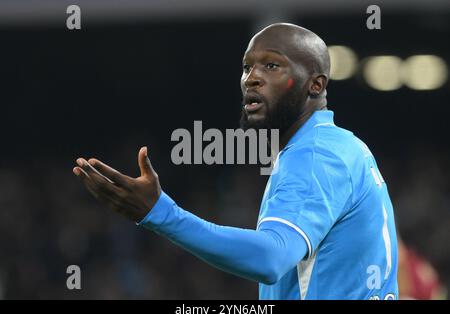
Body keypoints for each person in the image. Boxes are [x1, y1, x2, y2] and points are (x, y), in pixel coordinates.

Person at [73, 23, 398, 299]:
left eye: (271, 66)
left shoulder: (315, 154)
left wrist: (161, 213)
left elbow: (270, 258)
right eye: (247, 67)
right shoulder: (342, 146)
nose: (251, 78)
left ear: (316, 84)